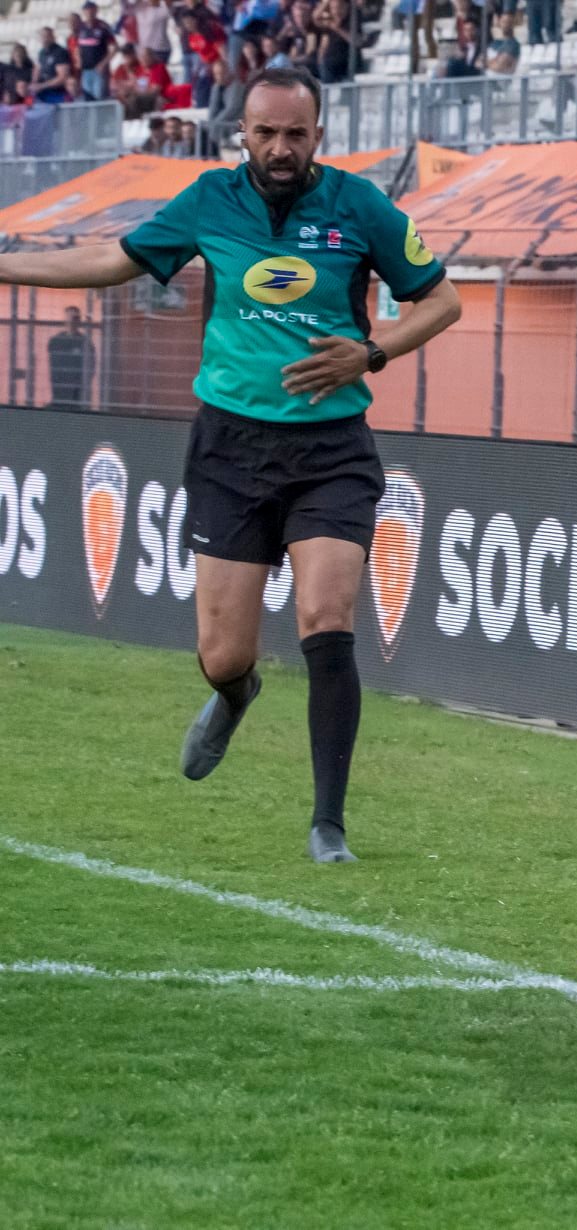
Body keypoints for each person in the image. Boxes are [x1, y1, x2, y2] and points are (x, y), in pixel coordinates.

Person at [0, 68, 462, 863]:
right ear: (241, 133)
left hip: (331, 451)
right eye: (266, 133)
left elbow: (443, 300)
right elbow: (116, 260)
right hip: (230, 449)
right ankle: (236, 692)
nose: (280, 148)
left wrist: (370, 351)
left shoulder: (360, 208)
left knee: (326, 618)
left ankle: (329, 824)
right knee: (223, 653)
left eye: (296, 133)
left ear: (318, 135)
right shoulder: (209, 200)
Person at [47, 307, 94, 409]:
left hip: (77, 392)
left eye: (75, 318)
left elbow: (91, 368)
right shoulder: (56, 341)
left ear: (79, 321)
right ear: (65, 320)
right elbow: (53, 366)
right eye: (69, 318)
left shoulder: (85, 342)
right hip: (59, 391)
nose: (71, 321)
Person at [72, 2, 116, 101]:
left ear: (96, 11)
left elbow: (114, 48)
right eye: (87, 10)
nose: (89, 13)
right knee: (88, 99)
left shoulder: (103, 27)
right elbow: (77, 46)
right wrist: (78, 58)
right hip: (85, 70)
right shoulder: (81, 27)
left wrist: (103, 64)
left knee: (99, 98)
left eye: (91, 10)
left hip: (99, 70)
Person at [31, 26, 76, 104]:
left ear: (52, 37)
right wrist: (33, 83)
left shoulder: (60, 52)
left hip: (57, 93)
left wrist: (42, 86)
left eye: (46, 36)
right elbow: (37, 69)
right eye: (42, 36)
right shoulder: (41, 53)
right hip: (43, 92)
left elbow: (63, 77)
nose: (44, 39)